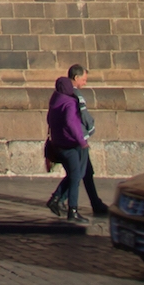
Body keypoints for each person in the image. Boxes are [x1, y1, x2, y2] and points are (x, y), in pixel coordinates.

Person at [45, 64, 96, 222]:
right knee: (76, 176)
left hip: (58, 143)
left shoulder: (55, 99)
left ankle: (56, 200)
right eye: (84, 80)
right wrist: (82, 140)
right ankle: (71, 210)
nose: (85, 83)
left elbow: (49, 120)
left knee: (75, 175)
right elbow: (72, 122)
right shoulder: (71, 101)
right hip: (71, 144)